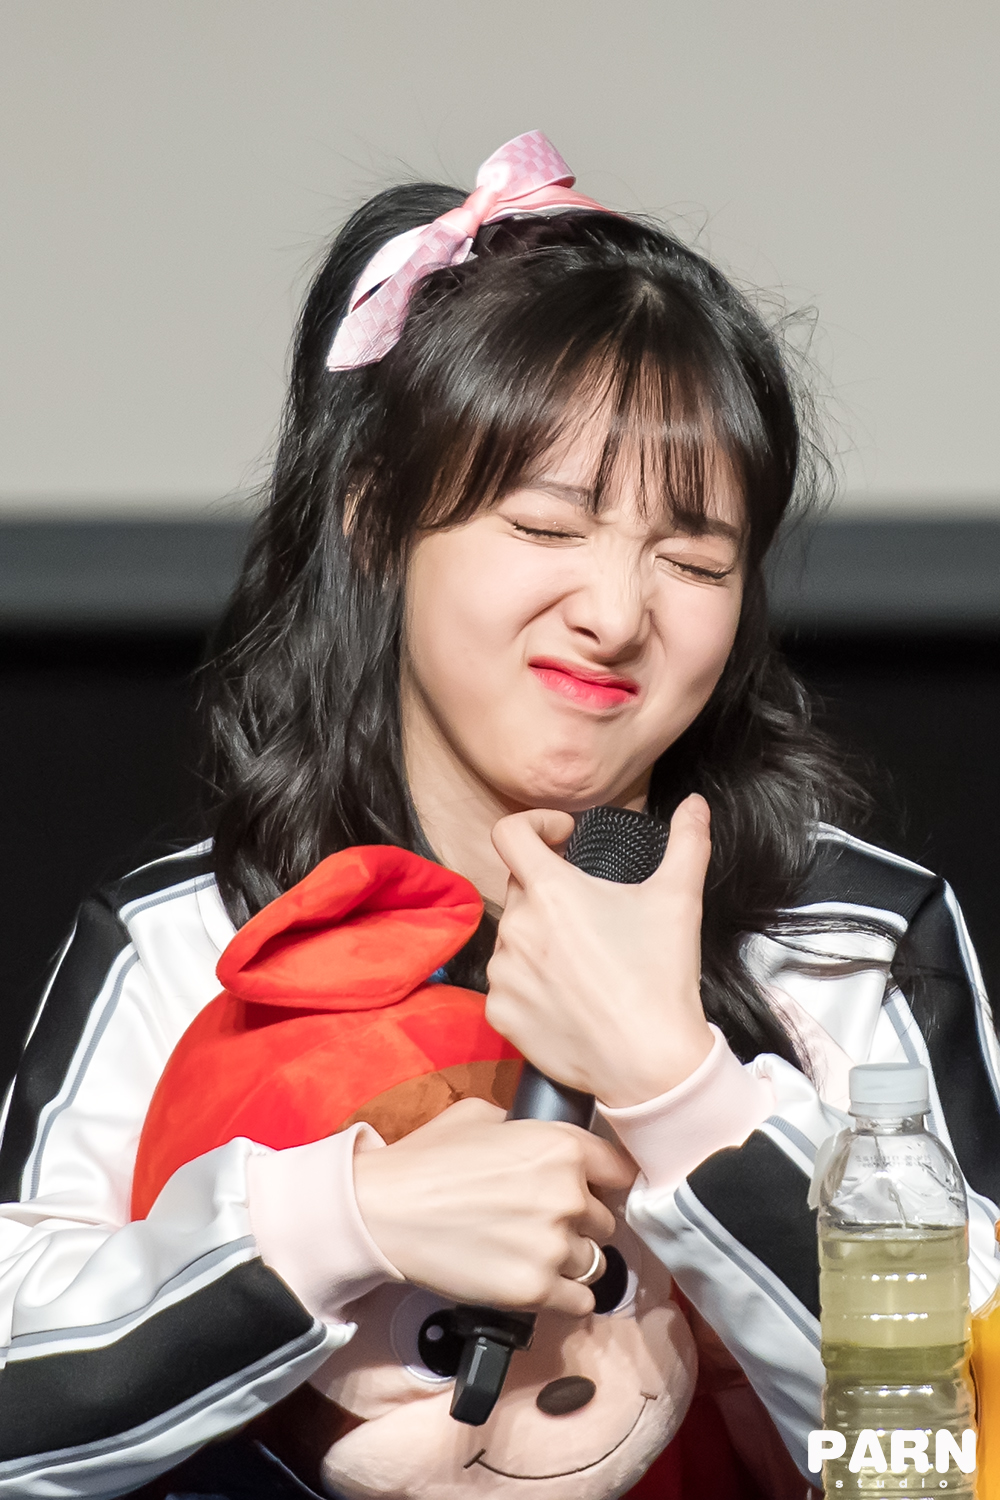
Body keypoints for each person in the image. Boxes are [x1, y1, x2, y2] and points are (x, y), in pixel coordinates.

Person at [0, 132, 997, 1499]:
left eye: (692, 557)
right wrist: (344, 1219)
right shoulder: (187, 941)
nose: (615, 613)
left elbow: (965, 1448)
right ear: (375, 521)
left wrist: (677, 1085)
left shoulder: (850, 944)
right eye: (546, 528)